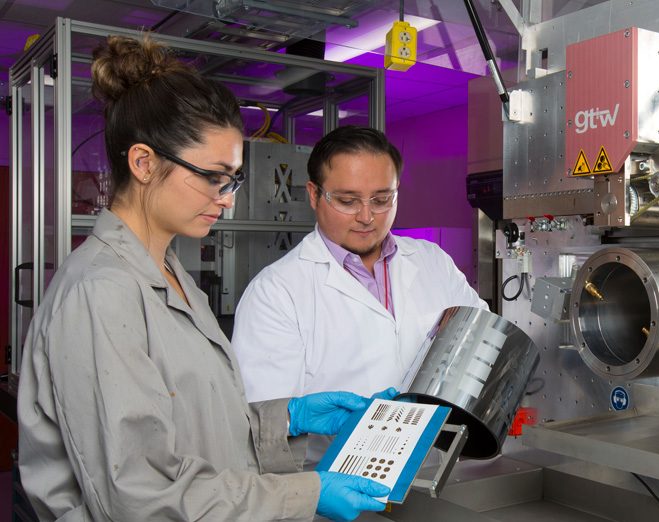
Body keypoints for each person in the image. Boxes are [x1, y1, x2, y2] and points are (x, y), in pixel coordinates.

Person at [17, 35, 391, 522]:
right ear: (144, 163)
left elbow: (197, 432)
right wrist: (304, 493)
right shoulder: (102, 291)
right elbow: (138, 495)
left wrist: (287, 418)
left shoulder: (171, 274)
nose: (228, 198)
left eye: (232, 179)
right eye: (214, 177)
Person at [231, 126, 487, 461]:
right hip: (335, 485)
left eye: (382, 200)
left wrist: (466, 333)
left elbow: (481, 343)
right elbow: (261, 423)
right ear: (313, 194)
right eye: (347, 200)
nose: (366, 217)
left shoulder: (432, 260)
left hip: (434, 468)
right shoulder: (275, 293)